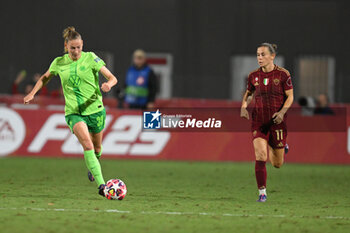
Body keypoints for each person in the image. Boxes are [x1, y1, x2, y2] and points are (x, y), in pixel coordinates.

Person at [23, 27, 118, 199]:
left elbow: (112, 77)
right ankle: (102, 186)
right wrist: (32, 93)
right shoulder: (59, 62)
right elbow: (45, 77)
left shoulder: (91, 58)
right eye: (72, 48)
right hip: (74, 113)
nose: (76, 51)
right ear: (66, 46)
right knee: (87, 146)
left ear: (83, 46)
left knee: (97, 149)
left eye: (79, 47)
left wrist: (108, 85)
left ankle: (93, 164)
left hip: (95, 110)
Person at [240, 43, 294, 202]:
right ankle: (262, 193)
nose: (260, 58)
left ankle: (281, 145)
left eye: (263, 54)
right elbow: (249, 93)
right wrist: (244, 106)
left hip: (278, 121)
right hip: (259, 121)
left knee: (277, 164)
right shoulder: (253, 76)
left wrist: (282, 112)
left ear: (272, 56)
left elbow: (290, 96)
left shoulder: (283, 75)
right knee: (261, 155)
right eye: (258, 55)